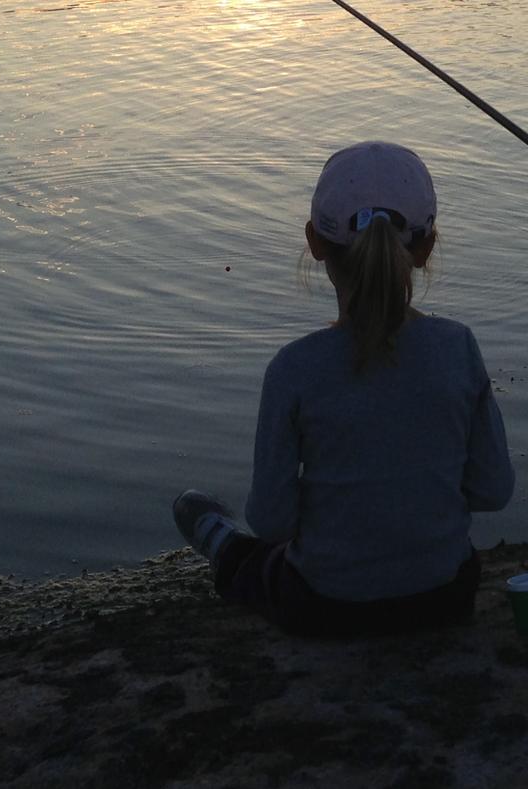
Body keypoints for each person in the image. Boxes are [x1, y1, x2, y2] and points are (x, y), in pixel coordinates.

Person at [174, 141, 515, 636]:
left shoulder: (294, 369)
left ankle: (220, 543)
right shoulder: (458, 348)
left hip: (327, 607)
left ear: (314, 242)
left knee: (251, 560)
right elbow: (493, 490)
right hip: (445, 596)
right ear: (425, 248)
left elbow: (272, 521)